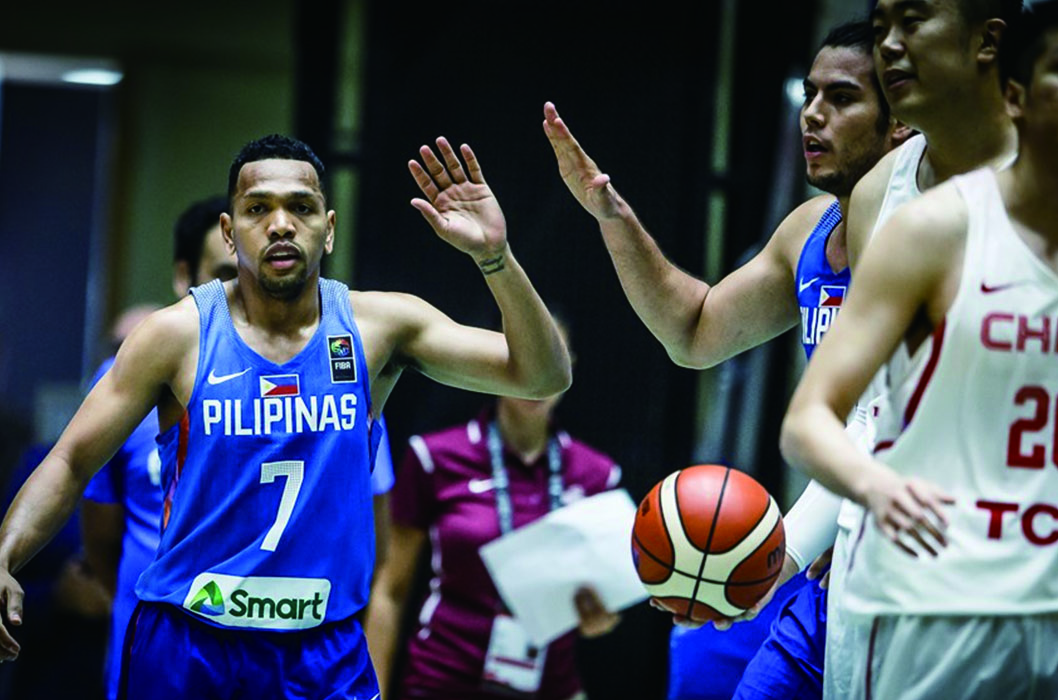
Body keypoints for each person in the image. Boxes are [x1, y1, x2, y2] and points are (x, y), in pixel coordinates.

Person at [0, 133, 571, 700]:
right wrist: (4, 556)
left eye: (301, 207)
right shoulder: (177, 335)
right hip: (190, 644)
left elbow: (542, 376)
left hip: (324, 652)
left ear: (329, 228)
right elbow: (72, 461)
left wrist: (495, 257)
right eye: (258, 209)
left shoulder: (379, 327)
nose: (280, 224)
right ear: (230, 232)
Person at [542, 20, 907, 700]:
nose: (813, 114)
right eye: (810, 94)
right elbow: (695, 330)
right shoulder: (810, 229)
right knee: (701, 652)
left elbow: (893, 422)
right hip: (830, 537)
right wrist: (612, 217)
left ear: (902, 126)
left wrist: (790, 552)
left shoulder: (931, 236)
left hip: (904, 550)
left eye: (842, 97)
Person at [781, 3, 1058, 695]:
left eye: (912, 22)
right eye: (881, 29)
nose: (890, 47)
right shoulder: (902, 211)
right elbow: (843, 416)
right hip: (921, 592)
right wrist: (852, 505)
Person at [79, 196, 398, 700]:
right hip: (178, 649)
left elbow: (376, 543)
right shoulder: (137, 377)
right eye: (228, 275)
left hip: (305, 649)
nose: (249, 288)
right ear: (185, 279)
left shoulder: (345, 382)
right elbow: (97, 531)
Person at [364, 322, 622, 700]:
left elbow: (604, 604)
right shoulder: (436, 456)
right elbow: (391, 589)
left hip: (551, 685)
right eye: (528, 355)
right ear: (497, 360)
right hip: (443, 681)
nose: (541, 373)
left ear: (571, 367)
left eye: (554, 358)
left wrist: (599, 619)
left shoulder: (598, 474)